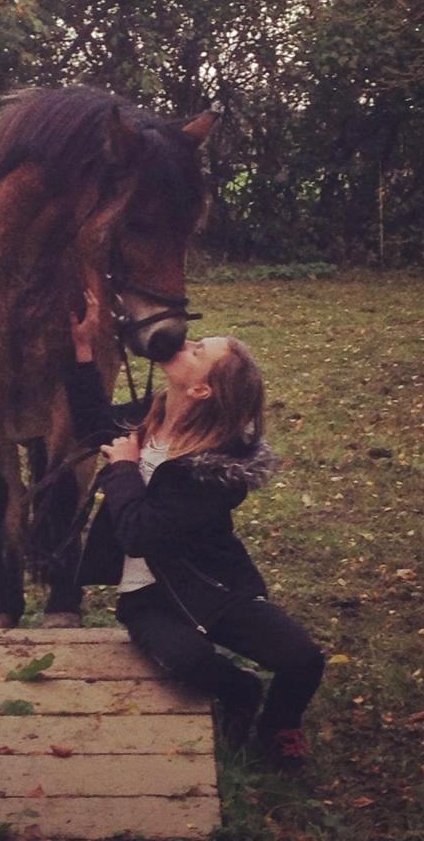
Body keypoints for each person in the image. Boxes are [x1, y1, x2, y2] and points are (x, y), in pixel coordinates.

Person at [66, 290, 324, 769]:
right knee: (189, 662)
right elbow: (93, 426)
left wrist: (123, 469)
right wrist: (82, 349)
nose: (183, 345)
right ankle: (241, 692)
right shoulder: (153, 415)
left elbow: (140, 534)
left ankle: (280, 728)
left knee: (303, 658)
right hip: (146, 597)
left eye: (197, 351)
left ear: (202, 390)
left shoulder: (214, 471)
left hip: (215, 587)